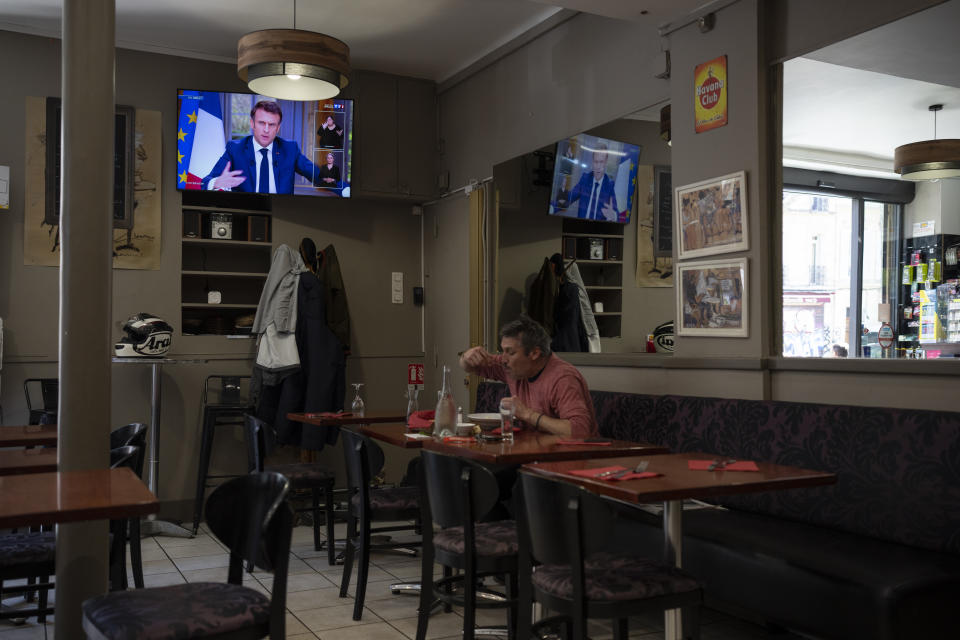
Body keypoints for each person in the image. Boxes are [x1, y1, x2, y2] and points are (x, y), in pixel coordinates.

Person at [459, 316, 598, 438]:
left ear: (534, 353)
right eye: (503, 351)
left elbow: (580, 431)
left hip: (572, 458)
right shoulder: (512, 367)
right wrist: (467, 357)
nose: (503, 359)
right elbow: (471, 366)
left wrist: (527, 414)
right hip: (534, 452)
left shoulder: (563, 378)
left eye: (510, 352)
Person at [202, 100, 323, 194]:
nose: (266, 130)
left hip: (282, 215)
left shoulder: (290, 149)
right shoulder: (235, 149)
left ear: (278, 128)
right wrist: (216, 182)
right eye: (261, 123)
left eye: (271, 124)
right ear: (252, 123)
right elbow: (205, 182)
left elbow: (318, 175)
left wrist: (342, 189)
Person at [555, 144, 618, 221]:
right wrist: (554, 205)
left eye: (601, 162)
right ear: (592, 161)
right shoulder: (585, 179)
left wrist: (614, 216)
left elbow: (616, 212)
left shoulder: (609, 185)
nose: (598, 166)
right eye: (596, 162)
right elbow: (569, 198)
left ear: (606, 162)